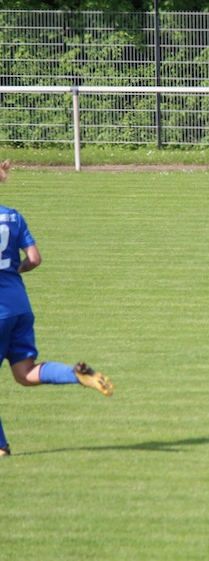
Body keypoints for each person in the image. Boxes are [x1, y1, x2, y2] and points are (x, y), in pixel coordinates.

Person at [0, 159, 113, 458]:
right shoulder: (13, 217)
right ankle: (77, 375)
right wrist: (13, 271)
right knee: (25, 373)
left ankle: (0, 446)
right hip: (19, 306)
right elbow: (35, 259)